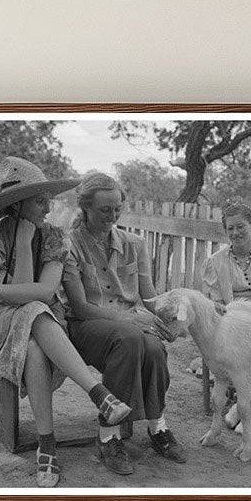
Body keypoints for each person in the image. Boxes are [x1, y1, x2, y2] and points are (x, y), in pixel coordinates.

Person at [0, 157, 131, 488]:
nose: (48, 208)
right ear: (17, 204)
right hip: (3, 326)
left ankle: (47, 446)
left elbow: (44, 290)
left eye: (47, 199)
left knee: (37, 339)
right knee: (34, 311)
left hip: (47, 325)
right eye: (40, 201)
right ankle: (100, 395)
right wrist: (21, 245)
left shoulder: (54, 237)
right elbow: (23, 296)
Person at [62, 172, 187, 476]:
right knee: (131, 337)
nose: (113, 216)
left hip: (130, 328)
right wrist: (132, 319)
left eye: (117, 209)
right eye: (105, 210)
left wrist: (176, 312)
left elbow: (150, 298)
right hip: (87, 326)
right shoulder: (70, 245)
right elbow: (80, 307)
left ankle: (158, 427)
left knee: (154, 347)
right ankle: (109, 435)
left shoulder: (135, 244)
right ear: (86, 208)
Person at [201, 198, 251, 432]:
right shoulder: (215, 263)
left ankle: (242, 404)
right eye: (230, 228)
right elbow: (215, 303)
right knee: (241, 345)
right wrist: (236, 321)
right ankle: (249, 408)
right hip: (227, 321)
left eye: (241, 226)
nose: (236, 232)